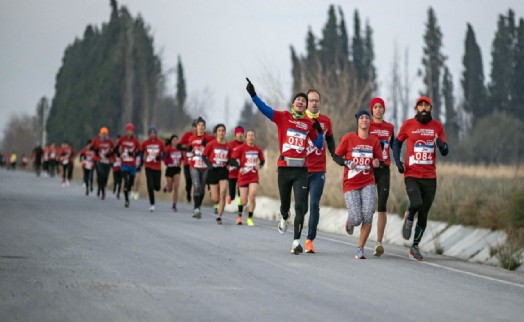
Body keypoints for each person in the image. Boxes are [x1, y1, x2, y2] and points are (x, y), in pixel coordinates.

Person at [246, 78, 324, 255]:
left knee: (300, 207)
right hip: (284, 168)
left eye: (304, 101)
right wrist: (253, 95)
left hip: (301, 170)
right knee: (285, 206)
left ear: (305, 107)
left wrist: (319, 131)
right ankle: (283, 216)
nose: (301, 102)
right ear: (293, 103)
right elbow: (265, 110)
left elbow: (318, 145)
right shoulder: (283, 117)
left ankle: (296, 241)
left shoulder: (308, 123)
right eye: (299, 99)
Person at [392, 96, 449, 261]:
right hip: (412, 174)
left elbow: (445, 151)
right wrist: (398, 162)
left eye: (426, 106)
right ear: (416, 108)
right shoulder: (408, 124)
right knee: (416, 203)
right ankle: (409, 215)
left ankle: (415, 246)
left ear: (430, 108)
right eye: (420, 105)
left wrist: (441, 145)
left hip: (430, 177)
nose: (423, 108)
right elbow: (397, 143)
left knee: (424, 212)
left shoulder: (437, 126)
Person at [333, 110, 382, 259]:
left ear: (370, 122)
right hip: (351, 183)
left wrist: (376, 162)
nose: (365, 120)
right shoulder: (348, 138)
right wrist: (347, 162)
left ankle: (360, 248)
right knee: (357, 218)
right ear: (357, 121)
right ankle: (350, 221)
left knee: (368, 215)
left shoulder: (374, 141)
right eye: (362, 117)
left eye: (367, 118)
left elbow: (379, 160)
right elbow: (336, 156)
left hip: (368, 181)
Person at [303, 89, 336, 254]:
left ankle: (309, 240)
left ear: (319, 102)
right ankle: (295, 233)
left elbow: (330, 138)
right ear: (307, 102)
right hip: (301, 170)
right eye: (311, 100)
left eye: (316, 100)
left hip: (318, 171)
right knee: (302, 207)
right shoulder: (301, 119)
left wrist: (334, 154)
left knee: (314, 204)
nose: (314, 103)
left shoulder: (326, 121)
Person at [368, 97, 395, 257]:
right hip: (369, 169)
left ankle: (378, 243)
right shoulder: (367, 125)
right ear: (372, 110)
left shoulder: (389, 127)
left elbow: (395, 146)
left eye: (381, 107)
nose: (378, 109)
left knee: (382, 204)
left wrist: (398, 161)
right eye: (376, 107)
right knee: (368, 204)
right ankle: (352, 219)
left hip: (384, 169)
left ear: (384, 110)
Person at [180, 117, 215, 219]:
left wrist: (207, 145)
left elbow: (214, 146)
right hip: (194, 165)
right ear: (196, 127)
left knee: (202, 188)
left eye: (203, 126)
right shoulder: (192, 138)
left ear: (204, 127)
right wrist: (188, 151)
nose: (201, 127)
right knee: (197, 186)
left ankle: (198, 206)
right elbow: (189, 149)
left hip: (205, 166)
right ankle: (196, 209)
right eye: (199, 125)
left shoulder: (209, 138)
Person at [231, 130, 265, 227]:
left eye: (252, 135)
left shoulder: (258, 150)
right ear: (246, 138)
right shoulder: (241, 148)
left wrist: (260, 166)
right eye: (249, 135)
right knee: (244, 201)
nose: (250, 137)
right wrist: (239, 168)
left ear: (254, 137)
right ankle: (239, 217)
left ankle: (250, 218)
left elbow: (262, 161)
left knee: (252, 195)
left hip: (253, 176)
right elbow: (232, 160)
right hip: (243, 177)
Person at [203, 124, 233, 225]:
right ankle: (212, 192)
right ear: (216, 133)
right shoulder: (211, 144)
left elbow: (231, 158)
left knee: (223, 192)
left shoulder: (228, 146)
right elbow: (204, 156)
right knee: (215, 198)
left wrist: (229, 164)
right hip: (213, 171)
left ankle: (219, 216)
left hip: (223, 171)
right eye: (219, 131)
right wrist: (209, 165)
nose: (221, 132)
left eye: (223, 130)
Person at [116, 123, 142, 208]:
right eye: (128, 131)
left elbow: (140, 150)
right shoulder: (122, 139)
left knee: (130, 183)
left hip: (132, 165)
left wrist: (134, 154)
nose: (129, 132)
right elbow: (117, 147)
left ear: (132, 131)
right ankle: (127, 200)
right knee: (126, 181)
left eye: (130, 131)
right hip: (124, 164)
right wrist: (118, 154)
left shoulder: (135, 141)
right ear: (126, 131)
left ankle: (128, 189)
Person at [142, 125, 165, 212]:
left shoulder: (160, 143)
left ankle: (156, 188)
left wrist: (160, 158)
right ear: (149, 134)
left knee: (157, 187)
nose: (152, 134)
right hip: (148, 166)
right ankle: (152, 204)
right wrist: (141, 161)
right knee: (150, 185)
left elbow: (165, 154)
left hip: (157, 167)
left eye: (154, 133)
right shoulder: (145, 143)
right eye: (151, 133)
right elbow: (141, 152)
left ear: (156, 134)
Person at [227, 126, 246, 222]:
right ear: (235, 134)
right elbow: (228, 158)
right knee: (233, 195)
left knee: (240, 195)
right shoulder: (230, 145)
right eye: (238, 133)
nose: (240, 134)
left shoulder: (246, 145)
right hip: (231, 173)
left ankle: (239, 216)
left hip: (241, 174)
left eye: (242, 133)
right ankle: (229, 196)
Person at [92, 127, 115, 200]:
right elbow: (91, 148)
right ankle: (102, 191)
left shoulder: (110, 142)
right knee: (100, 175)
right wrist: (95, 151)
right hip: (99, 161)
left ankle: (102, 187)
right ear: (100, 134)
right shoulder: (96, 141)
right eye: (102, 134)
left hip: (107, 162)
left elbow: (114, 150)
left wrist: (111, 156)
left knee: (105, 177)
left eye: (105, 134)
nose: (104, 136)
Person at [178, 119, 198, 202]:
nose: (196, 128)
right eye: (194, 126)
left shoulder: (202, 137)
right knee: (188, 181)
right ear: (192, 127)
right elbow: (178, 145)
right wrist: (185, 149)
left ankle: (195, 198)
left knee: (196, 182)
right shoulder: (187, 135)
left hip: (197, 163)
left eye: (197, 126)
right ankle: (188, 191)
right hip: (187, 163)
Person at [164, 135, 183, 212]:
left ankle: (174, 204)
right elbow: (164, 160)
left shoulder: (180, 149)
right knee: (170, 190)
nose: (175, 142)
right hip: (170, 169)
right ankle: (167, 186)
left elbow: (183, 158)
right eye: (173, 140)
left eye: (176, 140)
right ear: (171, 141)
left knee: (176, 187)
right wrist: (171, 161)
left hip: (177, 169)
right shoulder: (168, 149)